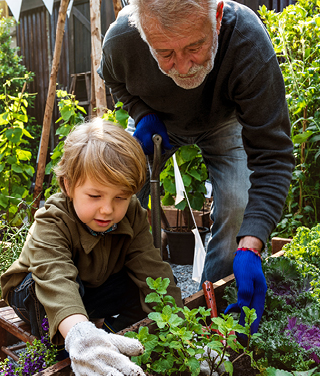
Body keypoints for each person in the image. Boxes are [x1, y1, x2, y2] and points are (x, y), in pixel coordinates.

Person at [98, 0, 295, 333]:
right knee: (115, 194)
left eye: (195, 46)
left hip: (223, 122)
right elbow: (114, 80)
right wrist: (141, 113)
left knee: (237, 208)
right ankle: (114, 299)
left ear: (216, 16)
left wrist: (251, 244)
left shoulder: (246, 40)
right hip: (158, 122)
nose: (184, 66)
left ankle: (209, 312)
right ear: (143, 33)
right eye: (165, 53)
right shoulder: (122, 39)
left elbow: (273, 155)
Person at [1, 118, 183, 376]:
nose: (108, 209)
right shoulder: (52, 219)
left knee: (146, 286)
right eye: (95, 195)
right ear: (69, 185)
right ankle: (70, 351)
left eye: (121, 197)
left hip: (94, 285)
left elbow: (151, 268)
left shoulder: (130, 214)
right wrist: (79, 335)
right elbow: (55, 277)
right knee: (46, 292)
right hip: (38, 290)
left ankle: (110, 340)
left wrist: (183, 335)